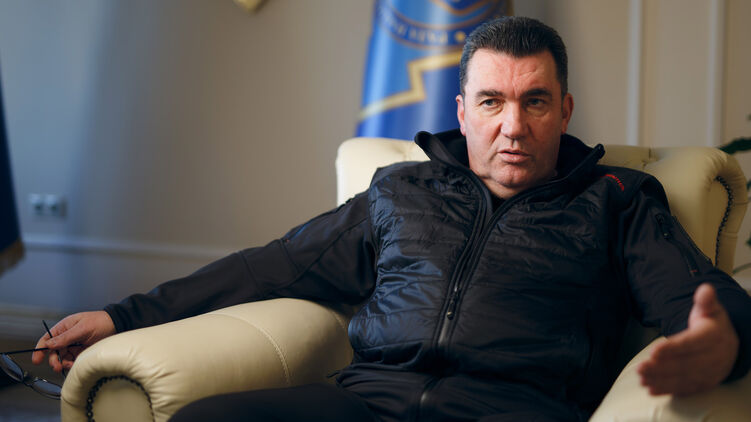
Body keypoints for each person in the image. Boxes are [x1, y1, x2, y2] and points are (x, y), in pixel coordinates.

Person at [32, 16, 751, 422]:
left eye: (534, 101)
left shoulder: (617, 198)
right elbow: (270, 267)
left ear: (563, 111)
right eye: (492, 102)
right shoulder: (401, 190)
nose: (512, 126)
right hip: (369, 404)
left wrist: (723, 340)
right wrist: (122, 316)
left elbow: (699, 298)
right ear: (462, 111)